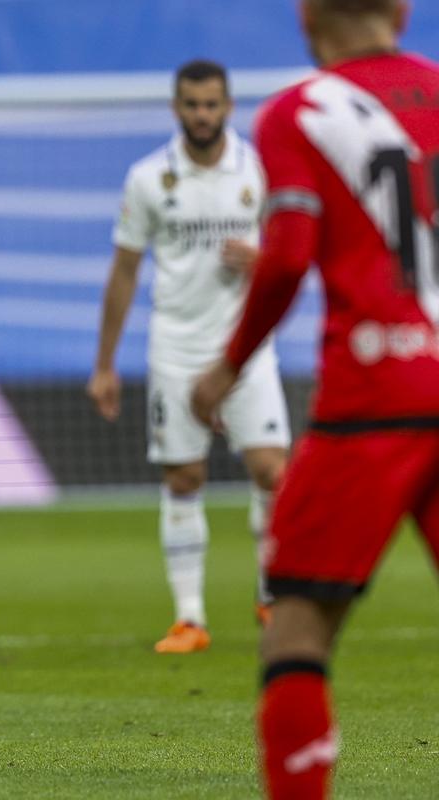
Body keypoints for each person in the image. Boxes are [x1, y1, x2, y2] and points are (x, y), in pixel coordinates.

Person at [191, 2, 439, 796]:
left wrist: (229, 364)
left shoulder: (302, 112)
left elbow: (289, 253)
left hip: (372, 401)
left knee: (296, 622)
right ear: (401, 10)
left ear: (306, 14)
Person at [87, 60, 289, 654]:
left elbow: (291, 247)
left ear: (228, 107)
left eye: (212, 105)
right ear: (178, 109)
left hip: (247, 347)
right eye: (192, 105)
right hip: (176, 346)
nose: (203, 115)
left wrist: (263, 260)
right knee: (184, 476)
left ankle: (272, 598)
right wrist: (105, 365)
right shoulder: (150, 177)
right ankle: (190, 619)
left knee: (273, 471)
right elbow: (124, 271)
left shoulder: (259, 169)